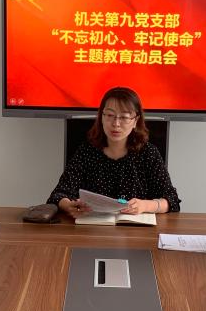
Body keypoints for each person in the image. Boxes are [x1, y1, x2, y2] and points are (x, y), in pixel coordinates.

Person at [47, 86, 181, 217]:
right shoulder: (87, 152)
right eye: (110, 115)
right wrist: (68, 206)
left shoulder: (148, 153)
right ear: (101, 117)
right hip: (93, 227)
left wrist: (145, 205)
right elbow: (58, 195)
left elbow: (171, 200)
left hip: (135, 228)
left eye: (124, 117)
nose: (116, 124)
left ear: (135, 121)